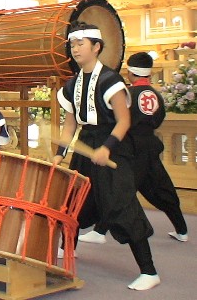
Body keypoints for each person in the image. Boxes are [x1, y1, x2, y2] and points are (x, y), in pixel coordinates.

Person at [53, 22, 160, 291]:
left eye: (81, 44)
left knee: (121, 204)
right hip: (86, 144)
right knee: (73, 201)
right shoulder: (72, 85)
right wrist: (59, 154)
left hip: (113, 145)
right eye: (73, 44)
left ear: (96, 47)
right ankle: (68, 249)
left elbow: (123, 121)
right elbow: (70, 125)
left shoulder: (110, 80)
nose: (75, 49)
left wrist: (107, 147)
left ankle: (149, 270)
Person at [78, 52, 188, 244]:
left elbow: (118, 121)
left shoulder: (126, 95)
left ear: (130, 73)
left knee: (117, 191)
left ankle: (100, 231)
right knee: (163, 189)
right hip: (150, 146)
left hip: (129, 149)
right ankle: (182, 230)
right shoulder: (156, 95)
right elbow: (159, 118)